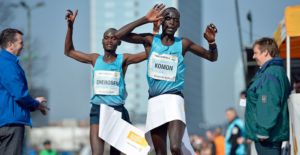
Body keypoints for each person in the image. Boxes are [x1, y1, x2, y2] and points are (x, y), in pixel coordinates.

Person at [115, 4, 218, 155]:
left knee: (175, 148)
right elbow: (118, 35)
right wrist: (145, 19)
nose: (171, 23)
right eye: (168, 18)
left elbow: (212, 57)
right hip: (155, 101)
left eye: (175, 20)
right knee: (160, 152)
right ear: (161, 21)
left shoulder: (183, 43)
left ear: (179, 24)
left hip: (174, 99)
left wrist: (212, 43)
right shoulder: (150, 40)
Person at [64, 9, 149, 155]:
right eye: (106, 37)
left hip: (117, 111)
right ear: (102, 41)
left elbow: (149, 53)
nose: (110, 40)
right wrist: (70, 27)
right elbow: (69, 51)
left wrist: (151, 29)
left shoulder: (124, 59)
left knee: (115, 154)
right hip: (98, 110)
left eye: (113, 38)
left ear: (119, 42)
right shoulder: (94, 59)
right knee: (97, 153)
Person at [0, 28, 49, 155]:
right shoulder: (8, 64)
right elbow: (19, 94)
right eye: (21, 43)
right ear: (10, 44)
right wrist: (34, 103)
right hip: (10, 125)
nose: (23, 46)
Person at [245, 37, 291, 155]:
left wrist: (263, 131)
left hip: (267, 138)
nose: (253, 56)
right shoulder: (273, 71)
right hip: (270, 136)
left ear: (265, 52)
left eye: (255, 53)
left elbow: (268, 102)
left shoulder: (270, 73)